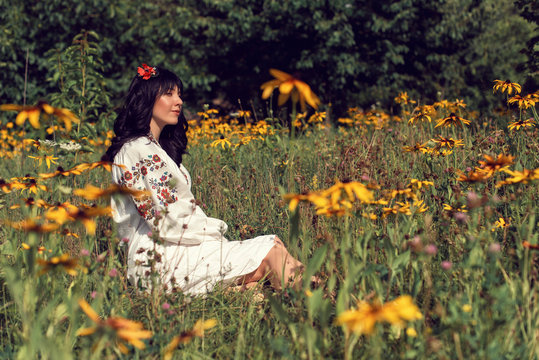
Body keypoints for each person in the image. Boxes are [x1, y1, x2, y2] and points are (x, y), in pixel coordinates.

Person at [102, 64, 307, 296]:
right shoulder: (137, 148)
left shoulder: (156, 150)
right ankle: (324, 305)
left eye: (179, 94)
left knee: (259, 281)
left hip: (172, 252)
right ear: (147, 99)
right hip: (158, 259)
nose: (178, 101)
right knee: (272, 251)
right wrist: (215, 230)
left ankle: (288, 300)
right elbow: (167, 220)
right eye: (168, 94)